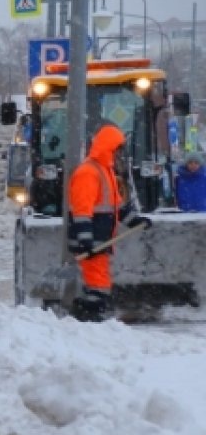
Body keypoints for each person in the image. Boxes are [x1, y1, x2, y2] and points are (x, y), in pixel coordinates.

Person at [67, 123, 152, 322]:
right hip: (91, 240)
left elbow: (117, 207)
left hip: (100, 239)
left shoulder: (105, 172)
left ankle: (92, 312)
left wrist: (135, 221)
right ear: (109, 148)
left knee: (98, 281)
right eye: (118, 150)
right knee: (98, 282)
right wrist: (86, 240)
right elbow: (82, 211)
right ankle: (91, 316)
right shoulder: (88, 172)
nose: (120, 155)